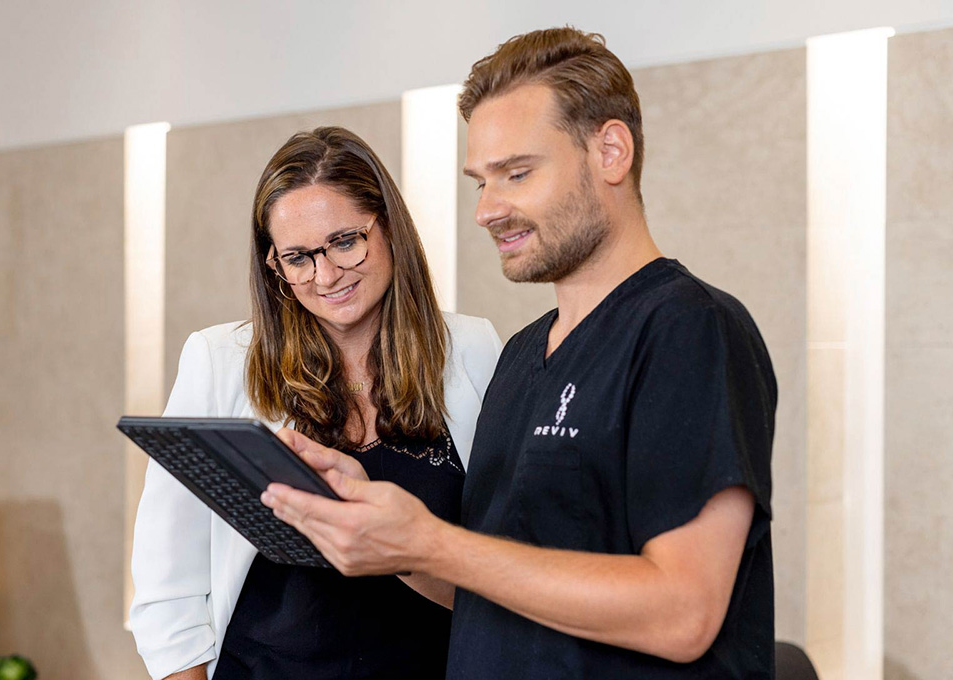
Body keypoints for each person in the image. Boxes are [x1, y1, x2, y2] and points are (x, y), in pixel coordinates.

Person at [262, 28, 777, 679]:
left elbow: (682, 614)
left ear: (610, 152)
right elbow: (484, 590)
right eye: (481, 181)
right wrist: (389, 533)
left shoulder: (689, 330)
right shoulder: (522, 357)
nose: (486, 209)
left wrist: (433, 540)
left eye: (517, 173)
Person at [129, 126, 502, 680]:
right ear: (273, 266)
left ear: (391, 229)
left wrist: (394, 539)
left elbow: (500, 577)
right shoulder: (220, 359)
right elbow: (168, 580)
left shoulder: (473, 351)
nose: (326, 276)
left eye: (346, 242)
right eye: (298, 257)